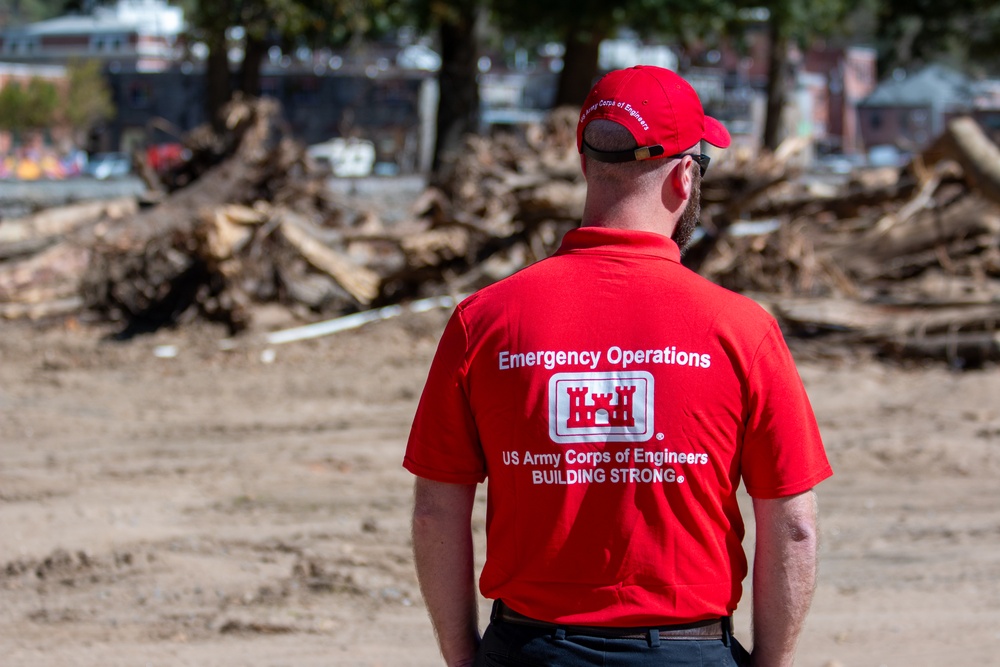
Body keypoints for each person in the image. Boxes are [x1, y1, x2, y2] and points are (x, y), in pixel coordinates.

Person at [404, 65, 833, 667]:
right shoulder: (742, 330)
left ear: (587, 164)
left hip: (528, 648)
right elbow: (793, 528)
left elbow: (435, 508)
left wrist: (464, 659)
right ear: (685, 176)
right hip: (685, 650)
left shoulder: (484, 321)